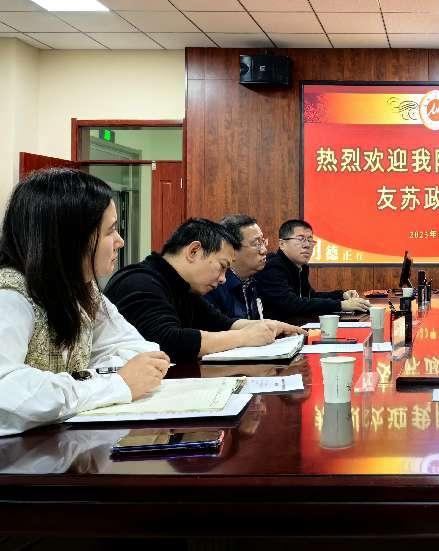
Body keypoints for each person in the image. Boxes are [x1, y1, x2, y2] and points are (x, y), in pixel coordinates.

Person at [0, 169, 170, 436]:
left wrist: (98, 380)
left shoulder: (81, 288)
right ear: (71, 238)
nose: (120, 241)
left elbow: (139, 351)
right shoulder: (10, 295)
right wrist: (115, 384)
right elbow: (9, 393)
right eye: (110, 231)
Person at [105, 218, 305, 363]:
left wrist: (270, 325)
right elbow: (167, 341)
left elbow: (221, 323)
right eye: (222, 266)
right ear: (194, 251)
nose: (223, 278)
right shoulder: (139, 281)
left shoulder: (183, 287)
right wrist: (244, 337)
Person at [256, 219, 370, 320]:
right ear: (282, 244)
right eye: (300, 239)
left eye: (310, 240)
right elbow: (290, 303)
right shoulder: (272, 266)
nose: (307, 245)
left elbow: (308, 296)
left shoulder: (301, 266)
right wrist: (341, 305)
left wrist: (341, 295)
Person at [204, 214, 267, 320]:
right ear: (231, 249)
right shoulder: (212, 286)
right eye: (256, 243)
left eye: (263, 242)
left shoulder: (253, 280)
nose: (264, 250)